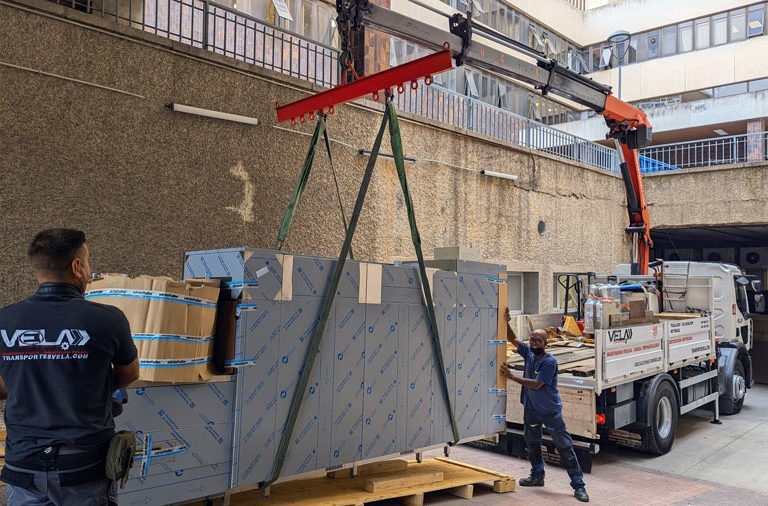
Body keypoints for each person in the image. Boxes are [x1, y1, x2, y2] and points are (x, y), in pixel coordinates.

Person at [0, 228, 139, 505]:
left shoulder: (5, 320)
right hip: (85, 470)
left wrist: (28, 376)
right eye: (87, 261)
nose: (89, 269)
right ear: (77, 267)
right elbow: (129, 373)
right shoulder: (108, 319)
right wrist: (87, 376)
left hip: (25, 468)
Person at [499, 307, 589, 503]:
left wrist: (512, 377)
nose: (533, 343)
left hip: (550, 412)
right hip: (531, 411)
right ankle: (537, 476)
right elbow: (513, 339)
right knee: (532, 444)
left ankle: (579, 485)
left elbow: (538, 384)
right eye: (531, 339)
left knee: (564, 447)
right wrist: (505, 321)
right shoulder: (530, 354)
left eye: (538, 340)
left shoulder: (549, 362)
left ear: (545, 343)